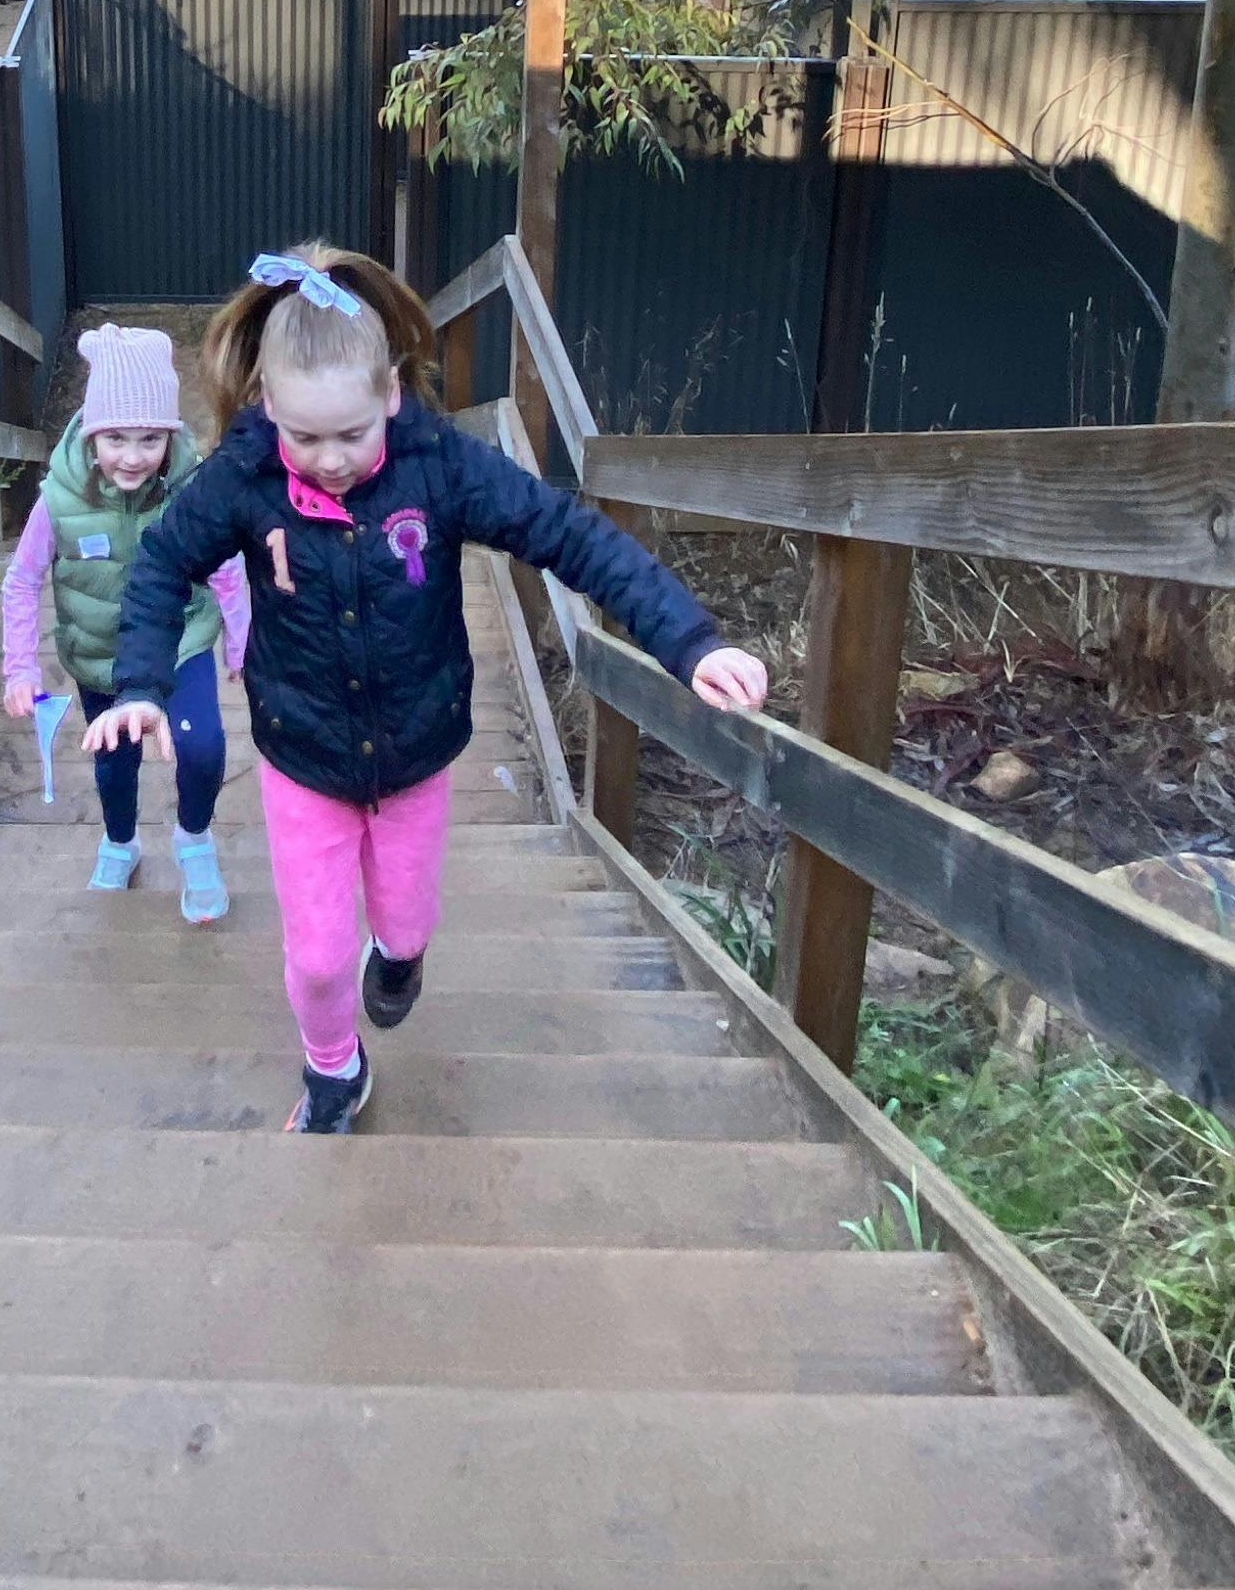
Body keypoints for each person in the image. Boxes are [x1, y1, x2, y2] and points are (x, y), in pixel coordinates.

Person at [95, 241, 768, 1131]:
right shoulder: (244, 477)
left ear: (390, 393)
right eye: (305, 438)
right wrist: (141, 683)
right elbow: (161, 566)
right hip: (303, 753)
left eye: (351, 435)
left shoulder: (439, 467)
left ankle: (400, 953)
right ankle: (333, 1070)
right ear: (268, 406)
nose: (330, 460)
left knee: (406, 926)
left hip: (417, 750)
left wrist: (688, 641)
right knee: (321, 958)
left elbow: (568, 535)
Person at [1, 323, 251, 920]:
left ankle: (194, 836)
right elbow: (22, 579)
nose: (133, 457)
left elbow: (227, 570)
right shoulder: (58, 500)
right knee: (115, 760)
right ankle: (120, 840)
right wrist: (20, 666)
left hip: (182, 642)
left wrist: (243, 642)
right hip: (100, 654)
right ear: (92, 434)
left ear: (171, 436)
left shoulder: (189, 490)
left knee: (201, 745)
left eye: (150, 439)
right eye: (116, 438)